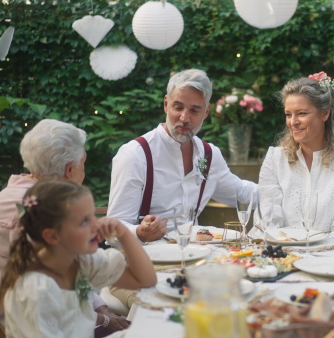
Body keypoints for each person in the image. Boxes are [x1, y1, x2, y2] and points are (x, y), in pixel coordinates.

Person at [0, 119, 129, 337]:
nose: (83, 172)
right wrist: (105, 321)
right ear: (69, 169)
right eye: (83, 163)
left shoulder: (18, 196)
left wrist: (100, 307)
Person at [108, 68, 255, 242]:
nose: (184, 118)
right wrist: (139, 233)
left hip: (194, 256)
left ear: (206, 112)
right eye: (178, 107)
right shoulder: (134, 155)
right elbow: (113, 230)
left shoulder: (209, 155)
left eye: (194, 111)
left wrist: (286, 189)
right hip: (147, 259)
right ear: (165, 104)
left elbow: (242, 193)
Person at [0, 179, 156, 338]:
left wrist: (123, 233)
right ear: (52, 236)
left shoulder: (80, 261)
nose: (96, 226)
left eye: (93, 216)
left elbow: (145, 280)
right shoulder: (35, 291)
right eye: (84, 221)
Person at [249, 71, 334, 257]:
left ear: (325, 113)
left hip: (331, 264)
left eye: (302, 113)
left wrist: (312, 261)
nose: (293, 122)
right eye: (288, 114)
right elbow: (266, 224)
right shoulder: (275, 158)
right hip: (281, 260)